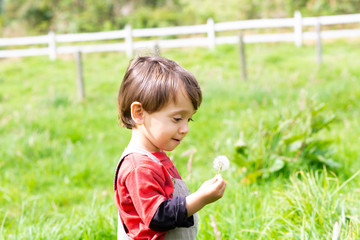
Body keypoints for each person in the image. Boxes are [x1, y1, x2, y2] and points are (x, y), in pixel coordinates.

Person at [114, 55, 227, 240]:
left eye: (188, 119)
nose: (185, 129)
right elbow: (158, 216)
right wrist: (200, 198)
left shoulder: (154, 156)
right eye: (177, 119)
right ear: (139, 113)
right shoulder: (138, 167)